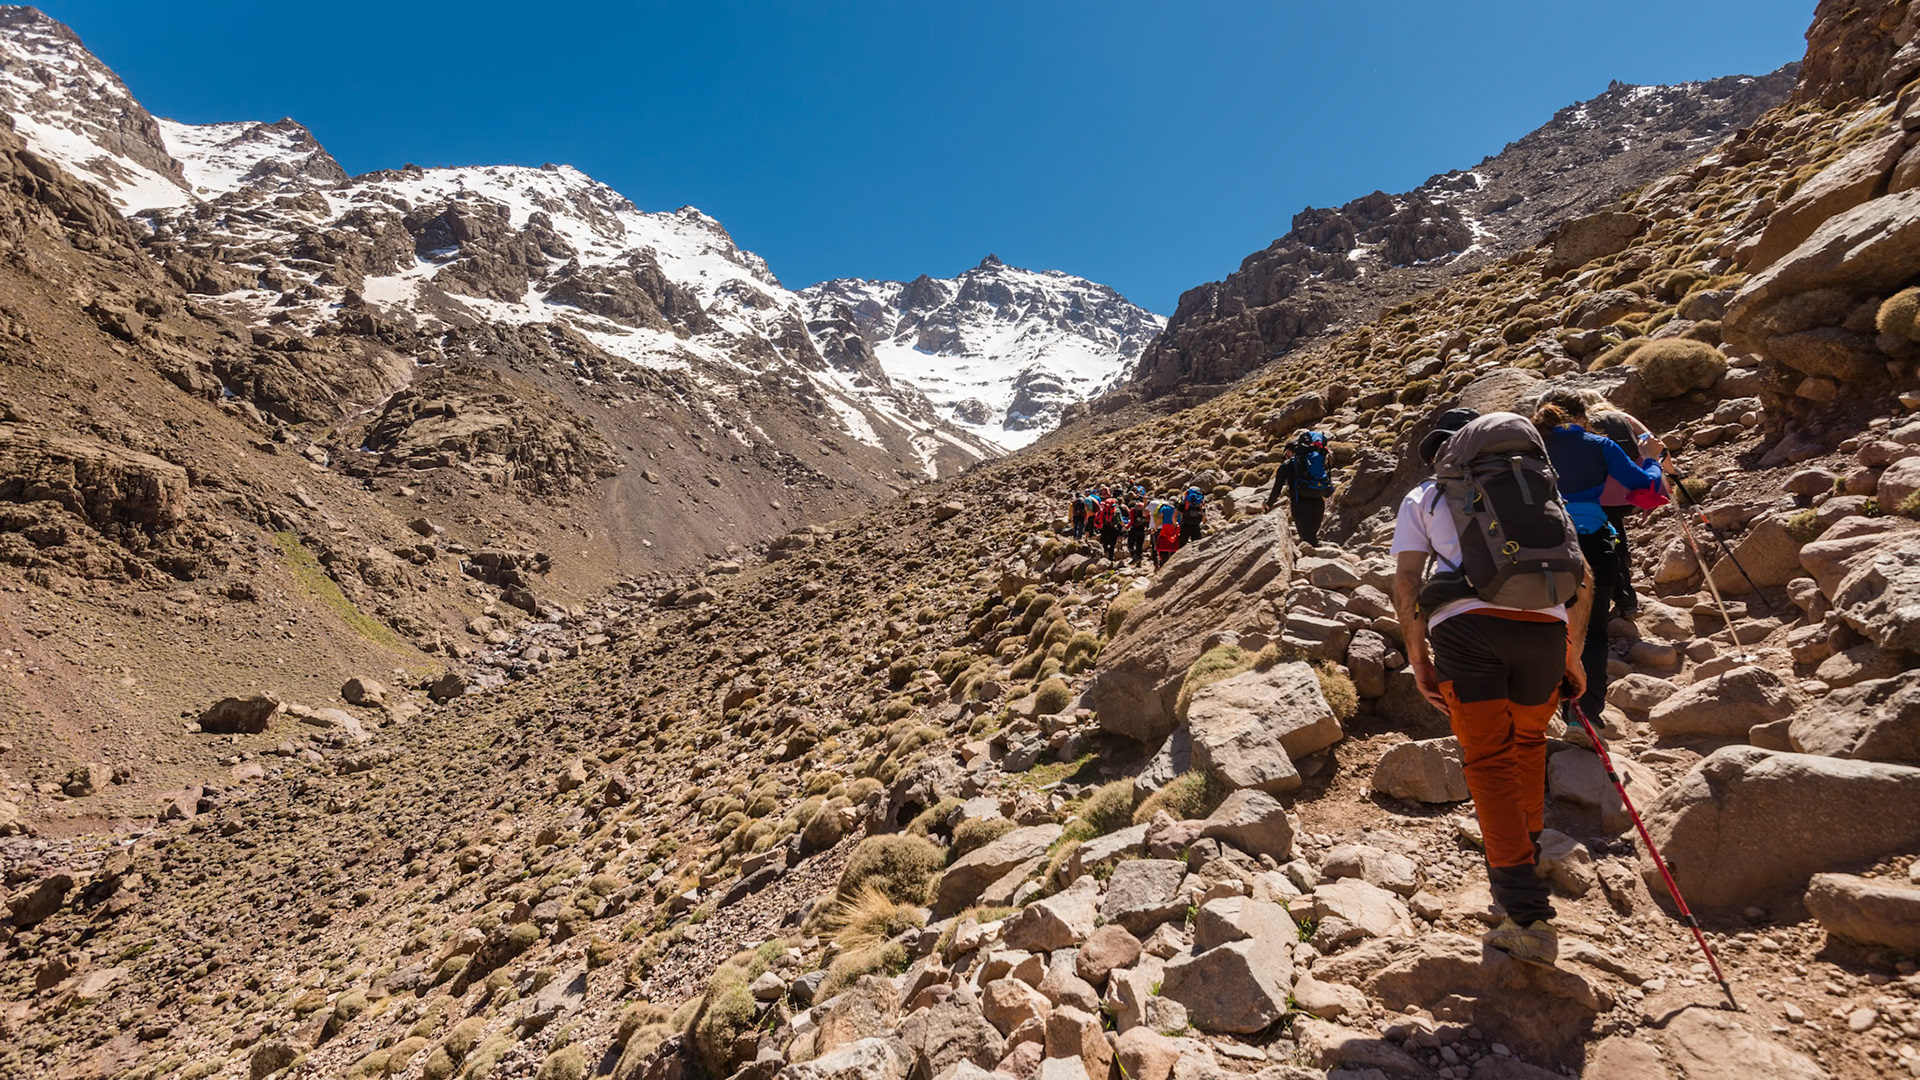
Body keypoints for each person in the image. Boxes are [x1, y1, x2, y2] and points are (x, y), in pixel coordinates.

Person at [1392, 407, 1594, 966]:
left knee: (1487, 760)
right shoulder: (1534, 487)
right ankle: (1523, 855)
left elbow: (1408, 578)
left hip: (1467, 631)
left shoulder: (1425, 496)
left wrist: (1416, 654)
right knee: (1527, 744)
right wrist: (1571, 652)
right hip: (1547, 628)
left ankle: (1525, 916)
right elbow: (1582, 571)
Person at [1533, 390, 1662, 724]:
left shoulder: (1529, 448)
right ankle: (1582, 716)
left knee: (1547, 626)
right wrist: (1651, 458)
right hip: (1592, 543)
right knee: (1591, 631)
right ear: (1581, 416)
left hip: (1542, 543)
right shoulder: (1600, 445)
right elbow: (1647, 487)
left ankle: (1537, 712)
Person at [1589, 406, 1669, 617]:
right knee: (1615, 534)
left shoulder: (1585, 425)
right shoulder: (1626, 418)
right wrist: (1668, 477)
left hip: (1601, 496)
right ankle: (1624, 583)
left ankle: (1624, 598)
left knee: (1607, 540)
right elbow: (1656, 446)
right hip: (1633, 493)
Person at [1268, 432, 1333, 547]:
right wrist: (1326, 494)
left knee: (1307, 538)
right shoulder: (1318, 460)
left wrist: (1268, 504)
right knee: (1312, 536)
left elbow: (1277, 488)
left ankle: (1310, 561)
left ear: (1289, 451)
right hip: (1318, 501)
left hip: (1299, 503)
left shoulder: (1287, 465)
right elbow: (1327, 478)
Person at [1153, 502, 1181, 569]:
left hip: (1166, 528)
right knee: (1174, 546)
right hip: (1176, 527)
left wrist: (1155, 528)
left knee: (1163, 546)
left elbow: (1159, 517)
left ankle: (1163, 564)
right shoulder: (1179, 508)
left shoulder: (1165, 508)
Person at [1125, 486, 1149, 566]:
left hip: (1134, 529)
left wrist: (1126, 527)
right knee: (1139, 545)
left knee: (1130, 544)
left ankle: (1134, 556)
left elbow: (1132, 521)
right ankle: (1139, 562)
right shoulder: (1145, 510)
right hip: (1142, 529)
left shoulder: (1133, 510)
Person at [1097, 489, 1123, 561]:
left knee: (1105, 543)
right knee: (1112, 544)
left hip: (1105, 528)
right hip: (1113, 529)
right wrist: (1125, 526)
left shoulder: (1104, 510)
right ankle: (1111, 558)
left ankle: (1105, 554)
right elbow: (1120, 520)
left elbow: (1099, 518)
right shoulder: (1116, 511)